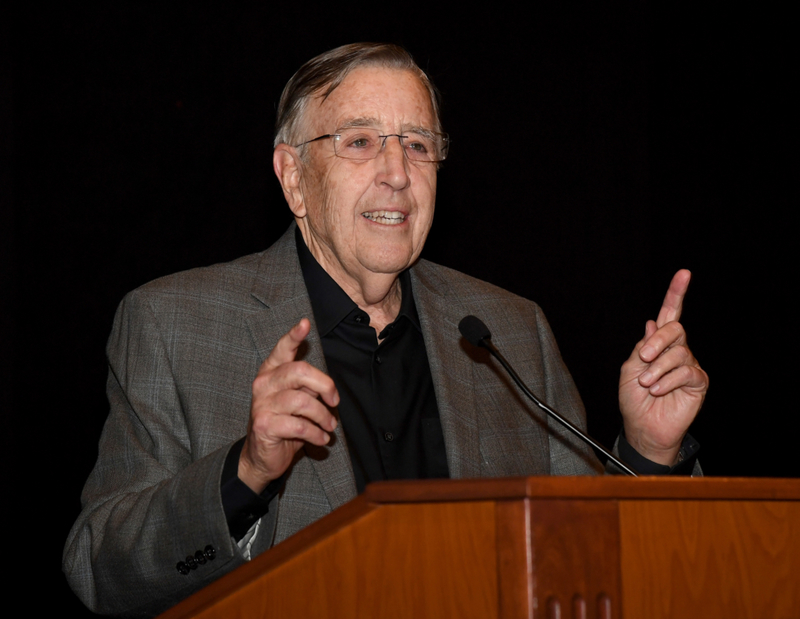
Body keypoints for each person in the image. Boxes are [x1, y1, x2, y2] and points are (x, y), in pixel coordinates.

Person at [63, 43, 708, 617]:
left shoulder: (510, 330)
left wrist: (649, 455)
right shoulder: (174, 324)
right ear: (293, 178)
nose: (398, 172)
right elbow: (100, 570)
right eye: (361, 140)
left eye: (419, 145)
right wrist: (246, 475)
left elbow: (590, 564)